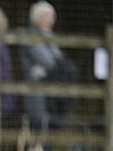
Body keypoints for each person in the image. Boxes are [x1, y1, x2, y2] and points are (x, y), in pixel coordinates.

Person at [19, 1, 77, 134]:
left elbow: (59, 62)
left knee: (52, 128)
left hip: (53, 93)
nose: (51, 20)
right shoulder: (29, 36)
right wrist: (57, 66)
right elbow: (49, 62)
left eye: (52, 16)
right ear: (36, 17)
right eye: (46, 16)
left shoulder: (50, 37)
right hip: (37, 91)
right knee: (39, 127)